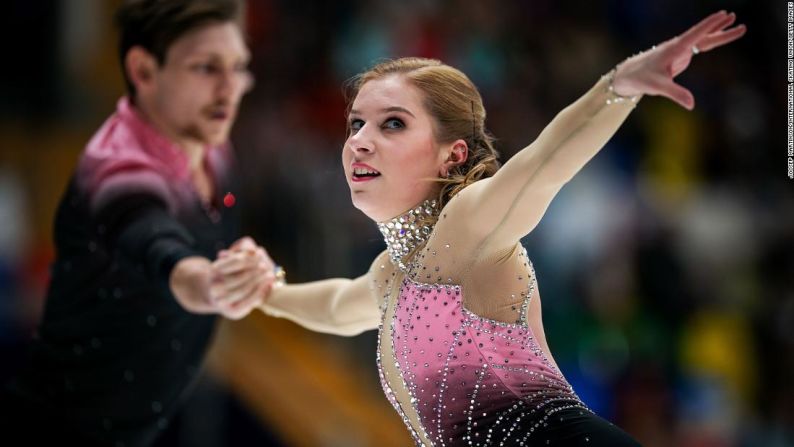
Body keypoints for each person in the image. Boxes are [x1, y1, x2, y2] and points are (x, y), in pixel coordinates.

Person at [214, 10, 745, 447]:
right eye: (356, 124)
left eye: (392, 123)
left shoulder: (466, 225)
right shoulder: (391, 277)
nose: (360, 141)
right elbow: (333, 306)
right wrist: (267, 293)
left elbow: (544, 163)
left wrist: (619, 86)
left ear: (453, 155)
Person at [0, 1, 277, 446]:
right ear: (144, 71)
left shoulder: (216, 152)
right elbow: (162, 251)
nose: (230, 89)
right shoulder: (116, 172)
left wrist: (240, 262)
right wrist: (211, 283)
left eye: (238, 67)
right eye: (206, 68)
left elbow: (216, 229)